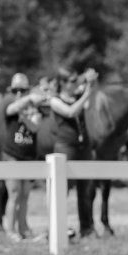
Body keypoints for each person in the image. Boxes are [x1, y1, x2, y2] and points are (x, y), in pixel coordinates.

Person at [43, 67, 97, 237]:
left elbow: (85, 105)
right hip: (65, 147)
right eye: (72, 81)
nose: (76, 84)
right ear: (63, 84)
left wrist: (90, 81)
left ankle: (87, 228)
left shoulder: (77, 97)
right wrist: (87, 92)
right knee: (61, 190)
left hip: (82, 147)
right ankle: (57, 228)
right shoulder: (55, 101)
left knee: (86, 189)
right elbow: (71, 111)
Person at [0, 73, 41, 241]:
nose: (18, 93)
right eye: (15, 90)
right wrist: (30, 98)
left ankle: (23, 228)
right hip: (13, 155)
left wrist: (25, 117)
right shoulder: (11, 104)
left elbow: (35, 127)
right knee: (14, 194)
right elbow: (11, 110)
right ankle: (10, 230)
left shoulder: (33, 109)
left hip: (28, 156)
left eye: (22, 90)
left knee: (25, 195)